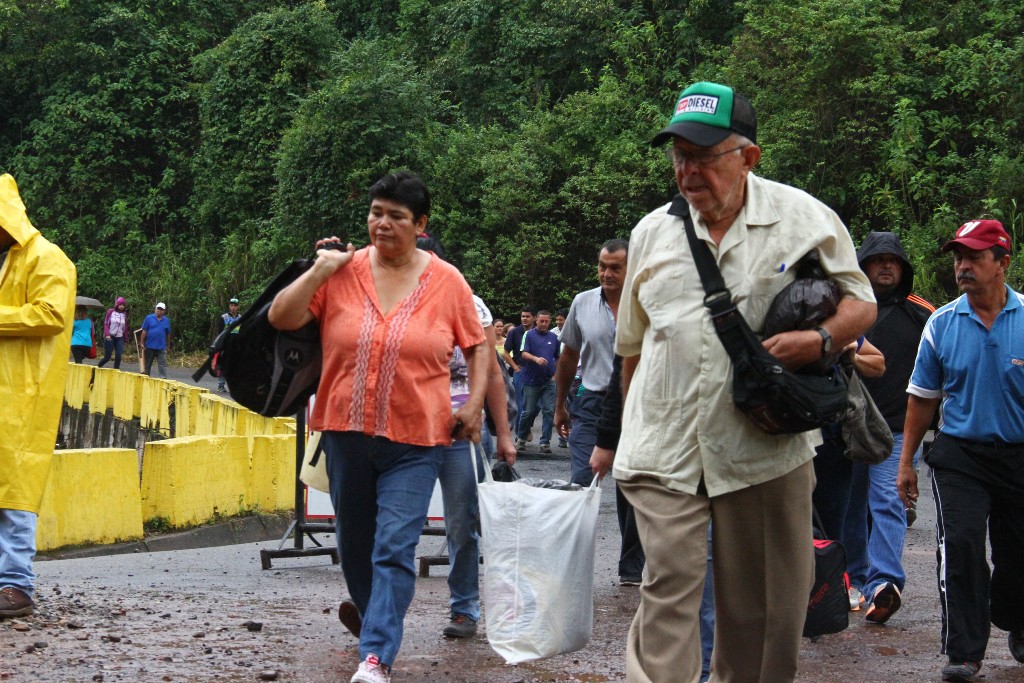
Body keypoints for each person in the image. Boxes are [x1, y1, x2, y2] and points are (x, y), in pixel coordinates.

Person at [615, 81, 875, 682]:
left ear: (748, 157)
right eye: (680, 155)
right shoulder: (652, 232)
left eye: (704, 156)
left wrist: (819, 341)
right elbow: (633, 345)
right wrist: (625, 432)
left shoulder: (802, 217)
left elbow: (860, 301)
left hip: (765, 446)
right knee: (670, 582)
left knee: (765, 610)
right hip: (667, 442)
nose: (688, 171)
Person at [267, 171, 489, 683]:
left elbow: (477, 345)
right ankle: (374, 622)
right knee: (355, 544)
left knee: (394, 545)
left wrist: (474, 404)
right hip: (344, 433)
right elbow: (282, 316)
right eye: (376, 213)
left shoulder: (447, 280)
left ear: (421, 224)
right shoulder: (343, 271)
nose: (382, 224)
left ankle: (375, 656)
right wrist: (320, 270)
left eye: (396, 216)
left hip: (417, 439)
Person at [897, 219, 1024, 683]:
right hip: (960, 456)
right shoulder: (942, 323)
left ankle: (1017, 618)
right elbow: (922, 397)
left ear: (1002, 263)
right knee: (964, 543)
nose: (963, 266)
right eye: (958, 258)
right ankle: (964, 651)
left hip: (1019, 454)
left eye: (974, 257)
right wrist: (906, 461)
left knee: (1017, 552)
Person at [414, 234, 517, 639]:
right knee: (398, 521)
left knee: (461, 523)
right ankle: (381, 603)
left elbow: (491, 372)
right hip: (410, 430)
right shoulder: (394, 303)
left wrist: (504, 434)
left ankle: (464, 609)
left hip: (462, 432)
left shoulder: (472, 306)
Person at [841, 232, 935, 623]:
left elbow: (940, 366)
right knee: (848, 507)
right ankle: (850, 579)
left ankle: (884, 584)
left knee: (888, 502)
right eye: (876, 260)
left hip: (894, 428)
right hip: (845, 426)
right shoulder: (846, 309)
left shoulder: (923, 313)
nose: (884, 266)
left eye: (892, 261)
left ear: (903, 268)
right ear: (862, 267)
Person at [0, 173, 76, 618]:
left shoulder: (48, 258)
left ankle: (17, 585)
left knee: (15, 493)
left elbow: (49, 314)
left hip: (23, 397)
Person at [554, 238, 645, 585]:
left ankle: (631, 568)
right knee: (581, 481)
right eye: (602, 266)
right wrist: (561, 405)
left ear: (631, 268)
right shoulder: (583, 302)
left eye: (615, 267)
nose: (606, 273)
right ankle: (572, 564)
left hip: (636, 406)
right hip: (590, 402)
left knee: (633, 487)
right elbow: (568, 356)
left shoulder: (645, 303)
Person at [516, 309, 559, 453]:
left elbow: (558, 357)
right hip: (531, 380)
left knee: (548, 411)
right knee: (528, 411)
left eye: (547, 321)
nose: (544, 324)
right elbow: (523, 353)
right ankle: (521, 438)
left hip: (548, 380)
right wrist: (536, 359)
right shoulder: (529, 335)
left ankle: (545, 442)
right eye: (541, 321)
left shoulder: (554, 337)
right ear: (536, 321)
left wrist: (555, 374)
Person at [503, 306, 535, 439]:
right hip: (520, 371)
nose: (524, 319)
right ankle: (520, 435)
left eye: (527, 316)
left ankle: (526, 427)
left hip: (536, 372)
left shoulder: (538, 332)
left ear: (534, 318)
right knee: (521, 403)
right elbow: (505, 352)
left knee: (536, 405)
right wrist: (515, 367)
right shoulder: (514, 332)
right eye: (522, 316)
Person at [216, 297, 242, 392]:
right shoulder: (224, 318)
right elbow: (219, 333)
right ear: (229, 306)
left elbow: (242, 332)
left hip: (235, 347)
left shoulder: (241, 318)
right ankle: (221, 385)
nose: (233, 307)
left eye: (235, 306)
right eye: (231, 305)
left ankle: (233, 386)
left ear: (238, 307)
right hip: (225, 346)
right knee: (222, 365)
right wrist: (219, 346)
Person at [139, 302, 171, 378]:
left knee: (162, 364)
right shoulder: (149, 318)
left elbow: (168, 334)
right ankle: (146, 377)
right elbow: (144, 331)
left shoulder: (166, 320)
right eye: (158, 309)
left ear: (164, 311)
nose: (159, 311)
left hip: (161, 347)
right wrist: (142, 342)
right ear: (155, 309)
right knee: (148, 364)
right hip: (150, 345)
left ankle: (163, 379)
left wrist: (168, 345)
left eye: (161, 309)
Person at [98, 297, 129, 369]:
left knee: (118, 356)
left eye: (123, 305)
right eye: (120, 304)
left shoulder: (124, 314)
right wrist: (107, 334)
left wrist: (126, 338)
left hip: (119, 337)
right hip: (110, 336)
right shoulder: (111, 312)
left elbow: (125, 327)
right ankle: (98, 367)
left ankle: (116, 371)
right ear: (117, 304)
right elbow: (106, 323)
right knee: (107, 357)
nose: (122, 306)